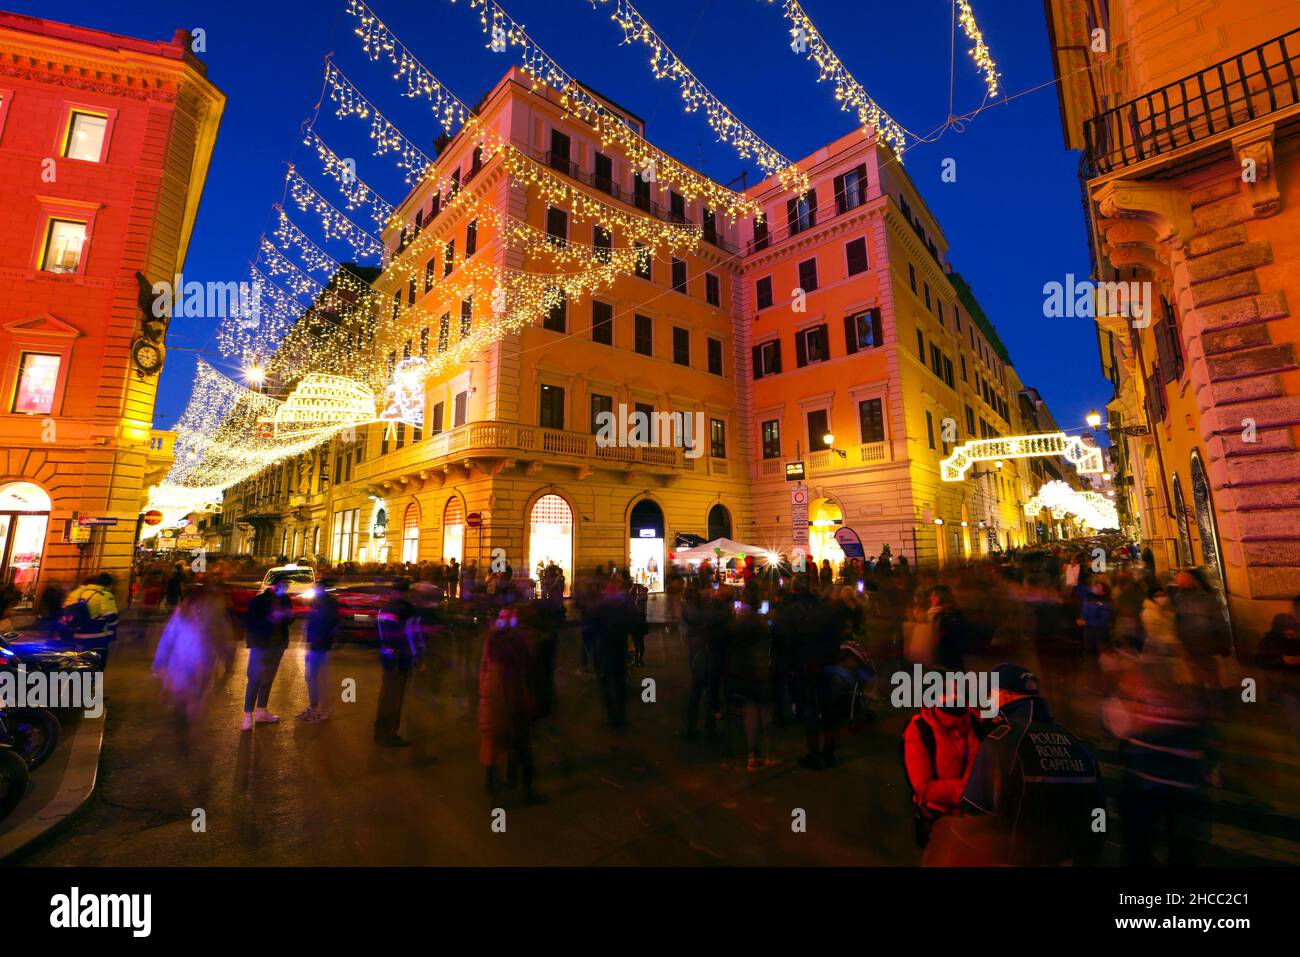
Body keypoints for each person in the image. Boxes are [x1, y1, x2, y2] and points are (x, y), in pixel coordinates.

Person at [924, 663, 1106, 866]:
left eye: (990, 695)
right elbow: (1098, 814)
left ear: (1004, 696)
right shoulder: (1078, 744)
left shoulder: (1003, 741)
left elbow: (974, 810)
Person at [478, 606, 544, 803]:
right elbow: (527, 673)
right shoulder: (515, 642)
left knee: (496, 740)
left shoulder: (494, 640)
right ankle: (521, 789)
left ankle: (497, 784)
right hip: (511, 700)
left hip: (494, 697)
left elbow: (485, 668)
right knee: (519, 745)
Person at [902, 685, 980, 848]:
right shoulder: (919, 729)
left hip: (967, 814)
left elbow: (978, 765)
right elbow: (923, 787)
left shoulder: (971, 722)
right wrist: (968, 791)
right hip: (934, 815)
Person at [242, 578, 293, 731]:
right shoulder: (259, 600)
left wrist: (289, 616)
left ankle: (261, 711)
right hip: (261, 644)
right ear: (275, 585)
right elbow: (250, 622)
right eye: (284, 585)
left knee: (268, 678)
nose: (286, 588)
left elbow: (288, 621)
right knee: (255, 679)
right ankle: (247, 716)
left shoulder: (285, 599)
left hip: (277, 645)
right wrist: (270, 620)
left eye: (287, 586)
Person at [375, 579, 419, 746]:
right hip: (400, 659)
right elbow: (410, 635)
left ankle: (380, 730)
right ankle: (390, 734)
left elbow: (378, 632)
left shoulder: (384, 608)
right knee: (395, 697)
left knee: (385, 694)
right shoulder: (406, 610)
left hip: (386, 657)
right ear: (405, 593)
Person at [1256, 613, 1300, 747]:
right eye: (1287, 634)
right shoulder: (1268, 642)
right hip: (1286, 687)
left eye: (1293, 633)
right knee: (1294, 718)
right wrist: (1281, 660)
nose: (1291, 635)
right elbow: (1262, 661)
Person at [300, 578, 339, 722]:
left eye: (318, 588)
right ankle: (314, 707)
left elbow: (328, 624)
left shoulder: (328, 604)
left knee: (319, 678)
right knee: (311, 677)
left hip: (321, 645)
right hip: (314, 644)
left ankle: (324, 710)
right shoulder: (318, 603)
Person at [61, 573, 120, 664]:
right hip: (97, 637)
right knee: (97, 665)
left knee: (77, 663)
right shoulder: (105, 595)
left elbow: (65, 611)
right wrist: (110, 636)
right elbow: (111, 617)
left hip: (76, 636)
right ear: (108, 585)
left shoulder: (77, 593)